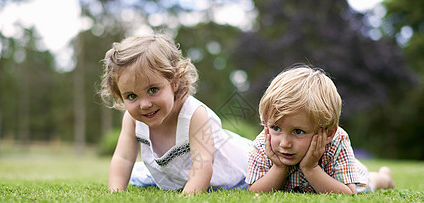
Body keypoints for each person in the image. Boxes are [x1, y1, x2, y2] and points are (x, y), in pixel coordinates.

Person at [101, 33, 251, 193]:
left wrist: (187, 199)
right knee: (138, 176)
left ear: (174, 82)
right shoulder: (132, 119)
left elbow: (203, 165)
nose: (144, 104)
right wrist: (115, 193)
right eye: (131, 96)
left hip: (235, 176)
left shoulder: (194, 115)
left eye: (153, 90)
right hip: (176, 176)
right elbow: (123, 159)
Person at [246, 65, 395, 194]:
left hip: (345, 177)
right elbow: (254, 191)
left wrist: (311, 168)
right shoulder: (263, 144)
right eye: (276, 128)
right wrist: (279, 168)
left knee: (370, 182)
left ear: (328, 133)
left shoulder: (337, 142)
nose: (284, 144)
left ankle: (384, 177)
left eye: (298, 131)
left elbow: (349, 193)